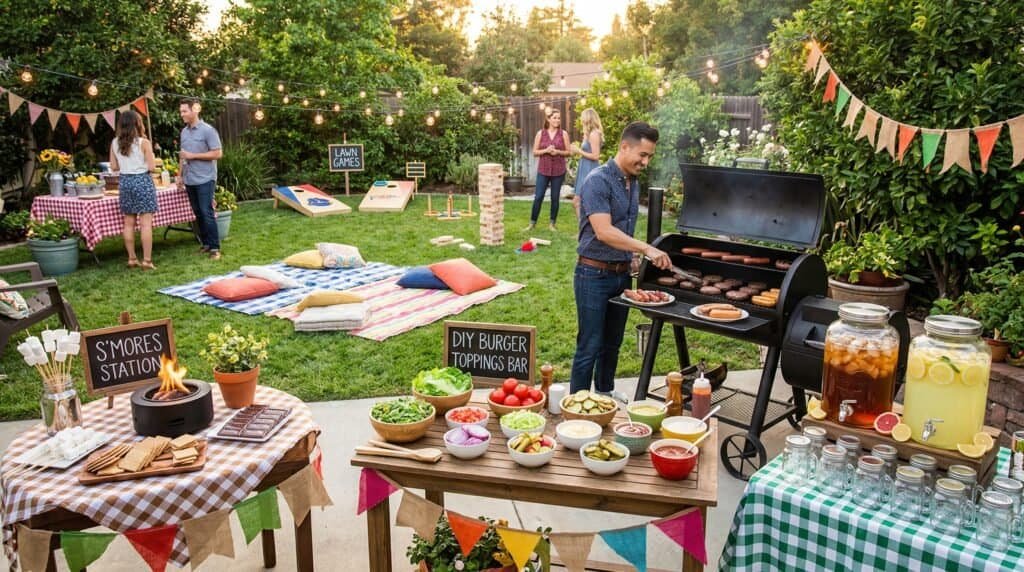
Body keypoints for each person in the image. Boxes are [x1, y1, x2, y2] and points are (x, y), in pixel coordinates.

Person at [570, 121, 671, 395]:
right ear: (625, 147)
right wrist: (646, 249)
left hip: (622, 274)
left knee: (612, 343)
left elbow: (622, 227)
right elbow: (603, 231)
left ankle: (604, 393)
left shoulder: (632, 182)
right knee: (590, 344)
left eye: (650, 156)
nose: (646, 162)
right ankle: (577, 404)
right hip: (593, 274)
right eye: (643, 155)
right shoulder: (598, 180)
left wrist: (631, 255)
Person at [109, 110, 158, 270]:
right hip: (142, 180)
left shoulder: (114, 143)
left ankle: (132, 258)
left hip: (125, 182)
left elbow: (114, 166)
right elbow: (152, 167)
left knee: (128, 223)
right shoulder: (144, 142)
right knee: (145, 224)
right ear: (137, 124)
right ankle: (147, 261)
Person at [178, 98, 223, 260]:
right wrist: (179, 175)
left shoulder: (208, 131)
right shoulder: (184, 132)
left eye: (184, 111)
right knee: (197, 212)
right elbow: (183, 156)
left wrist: (194, 156)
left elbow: (218, 153)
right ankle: (206, 244)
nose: (181, 114)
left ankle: (215, 248)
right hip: (190, 179)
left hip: (205, 178)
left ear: (195, 110)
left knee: (206, 211)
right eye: (181, 111)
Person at [526, 108, 571, 232]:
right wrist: (546, 150)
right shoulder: (541, 133)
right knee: (538, 196)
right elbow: (535, 152)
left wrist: (558, 152)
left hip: (558, 170)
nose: (557, 120)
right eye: (554, 118)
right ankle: (532, 223)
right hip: (543, 170)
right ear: (548, 119)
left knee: (555, 198)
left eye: (559, 118)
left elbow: (568, 152)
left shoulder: (563, 134)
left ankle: (552, 224)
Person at [571, 108, 604, 219]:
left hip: (590, 169)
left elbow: (595, 156)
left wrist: (578, 151)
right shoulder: (588, 134)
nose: (581, 120)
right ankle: (585, 226)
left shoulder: (594, 134)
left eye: (582, 117)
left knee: (578, 201)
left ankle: (585, 227)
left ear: (588, 118)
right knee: (579, 201)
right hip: (584, 168)